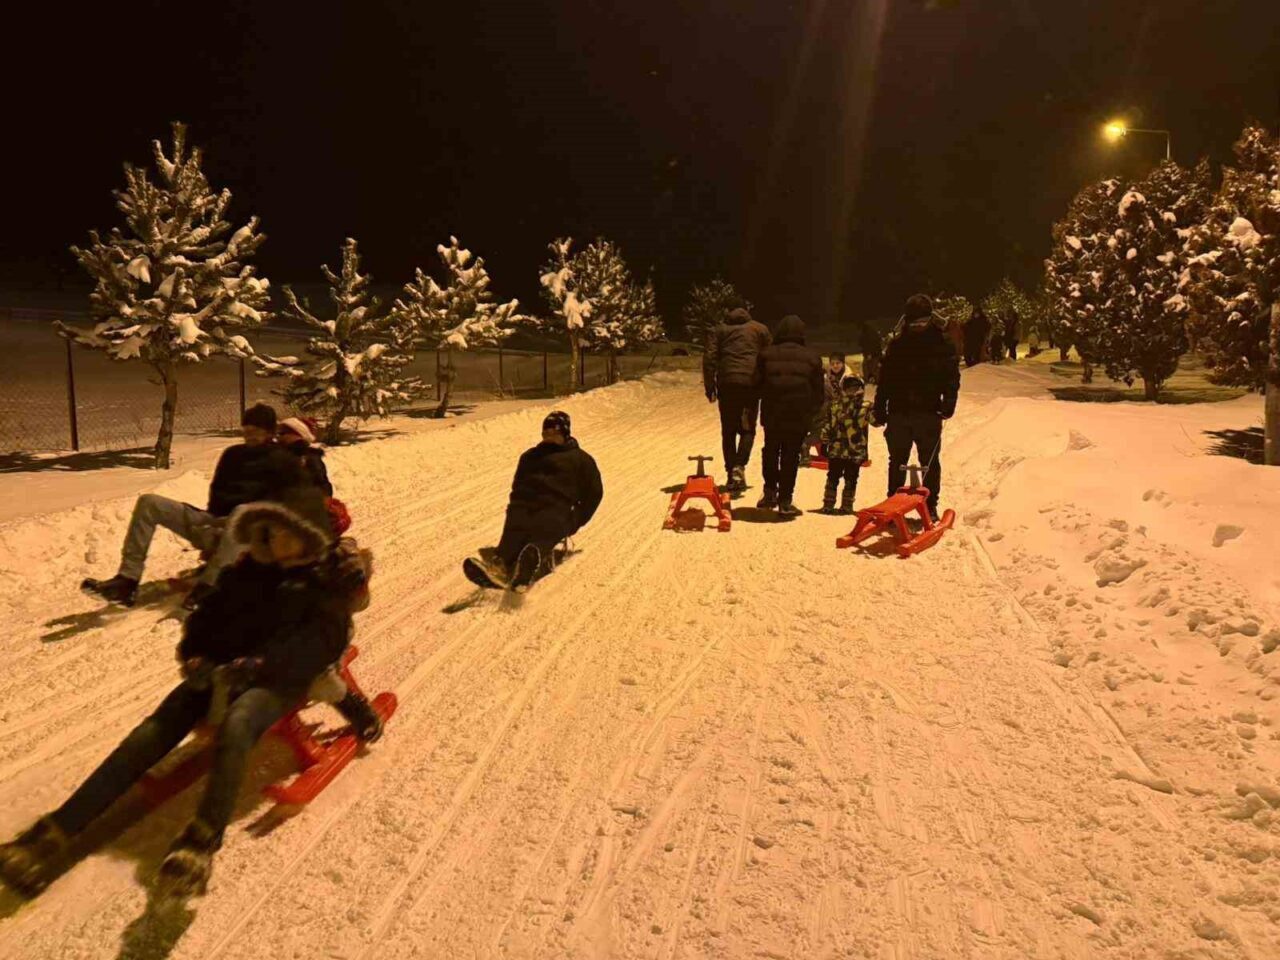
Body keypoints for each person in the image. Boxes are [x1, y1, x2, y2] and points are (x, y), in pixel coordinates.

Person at [0, 486, 376, 902]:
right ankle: (54, 831)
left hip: (280, 680)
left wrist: (261, 665)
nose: (280, 541)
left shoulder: (324, 584)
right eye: (275, 531)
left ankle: (201, 843)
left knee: (238, 723)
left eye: (290, 533)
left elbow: (318, 644)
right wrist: (197, 654)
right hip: (225, 669)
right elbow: (208, 616)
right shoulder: (250, 570)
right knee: (151, 732)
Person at [80, 404, 307, 610]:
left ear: (269, 432)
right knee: (149, 503)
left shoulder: (284, 461)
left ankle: (210, 585)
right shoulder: (232, 455)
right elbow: (217, 496)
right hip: (217, 523)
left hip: (254, 532)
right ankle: (127, 582)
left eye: (255, 431)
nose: (249, 435)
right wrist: (212, 527)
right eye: (246, 430)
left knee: (242, 513)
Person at [465, 411, 603, 590]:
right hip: (525, 507)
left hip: (557, 509)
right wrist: (516, 504)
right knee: (515, 527)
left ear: (565, 434)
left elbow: (594, 494)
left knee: (546, 528)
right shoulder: (530, 456)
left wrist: (576, 519)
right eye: (546, 433)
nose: (549, 437)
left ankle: (529, 563)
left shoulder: (582, 460)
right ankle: (500, 566)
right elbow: (518, 485)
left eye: (554, 433)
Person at [871, 294, 960, 518]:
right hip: (899, 411)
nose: (918, 327)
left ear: (930, 318)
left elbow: (951, 377)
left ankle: (930, 505)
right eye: (914, 323)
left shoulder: (942, 343)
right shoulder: (897, 345)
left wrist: (948, 403)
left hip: (929, 410)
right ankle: (893, 502)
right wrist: (880, 408)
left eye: (922, 322)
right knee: (897, 460)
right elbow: (885, 380)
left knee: (929, 461)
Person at [755, 315, 823, 517]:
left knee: (770, 450)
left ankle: (769, 491)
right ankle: (785, 500)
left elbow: (756, 384)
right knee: (791, 456)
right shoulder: (812, 357)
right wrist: (811, 412)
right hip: (798, 414)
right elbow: (818, 391)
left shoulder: (766, 354)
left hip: (773, 412)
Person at [702, 307, 772, 494]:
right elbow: (768, 357)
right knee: (748, 428)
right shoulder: (760, 329)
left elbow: (709, 358)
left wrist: (710, 387)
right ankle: (739, 466)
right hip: (751, 384)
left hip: (727, 384)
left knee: (729, 430)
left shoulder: (719, 330)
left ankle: (731, 473)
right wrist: (767, 384)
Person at [818, 374, 870, 514]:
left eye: (855, 387)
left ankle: (844, 505)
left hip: (852, 451)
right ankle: (830, 504)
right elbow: (828, 424)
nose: (852, 390)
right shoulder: (836, 406)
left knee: (849, 478)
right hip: (841, 449)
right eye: (849, 387)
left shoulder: (864, 407)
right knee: (834, 477)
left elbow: (875, 421)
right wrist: (824, 442)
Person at [802, 351, 848, 466]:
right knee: (823, 430)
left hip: (838, 411)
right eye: (833, 363)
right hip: (822, 412)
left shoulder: (848, 377)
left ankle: (826, 450)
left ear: (843, 363)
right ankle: (805, 445)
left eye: (838, 363)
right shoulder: (824, 378)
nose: (835, 366)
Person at [277, 416, 332, 496]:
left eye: (282, 433)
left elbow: (322, 487)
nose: (278, 436)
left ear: (297, 436)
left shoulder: (310, 458)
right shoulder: (277, 452)